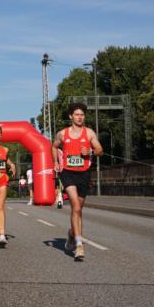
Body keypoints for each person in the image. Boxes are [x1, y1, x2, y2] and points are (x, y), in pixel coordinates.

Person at [52, 102, 103, 262]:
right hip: (67, 173)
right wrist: (56, 162)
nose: (79, 117)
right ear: (70, 117)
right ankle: (79, 245)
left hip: (84, 173)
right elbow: (54, 147)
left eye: (82, 115)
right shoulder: (62, 134)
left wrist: (91, 151)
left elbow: (100, 150)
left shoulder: (89, 133)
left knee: (79, 209)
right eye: (76, 114)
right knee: (74, 205)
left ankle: (71, 234)